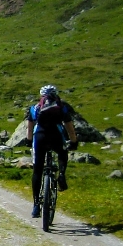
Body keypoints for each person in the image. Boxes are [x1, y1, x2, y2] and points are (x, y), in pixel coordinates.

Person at [26, 84, 79, 218]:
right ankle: (61, 174)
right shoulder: (62, 107)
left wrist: (28, 140)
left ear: (41, 96)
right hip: (56, 136)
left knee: (37, 170)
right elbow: (69, 127)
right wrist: (73, 141)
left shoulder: (35, 108)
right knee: (62, 152)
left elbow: (30, 128)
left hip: (40, 136)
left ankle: (36, 205)